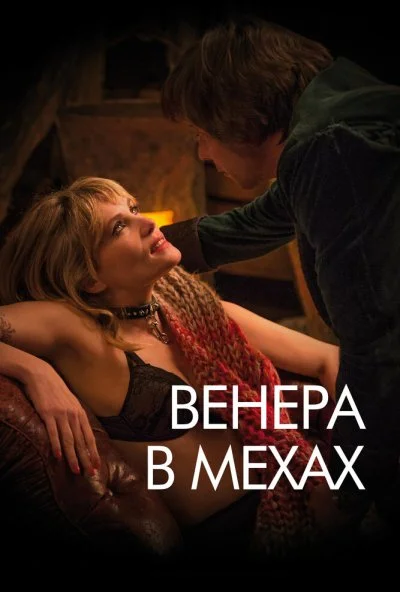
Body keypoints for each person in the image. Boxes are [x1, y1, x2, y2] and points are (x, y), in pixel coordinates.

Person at [0, 176, 346, 560]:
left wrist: (347, 477)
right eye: (119, 227)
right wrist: (35, 372)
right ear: (89, 278)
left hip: (299, 494)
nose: (148, 221)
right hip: (235, 539)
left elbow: (329, 359)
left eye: (133, 208)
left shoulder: (198, 313)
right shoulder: (79, 331)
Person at [159, 15, 400, 527]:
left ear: (237, 115)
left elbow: (377, 345)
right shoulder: (335, 117)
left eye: (202, 134)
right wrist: (156, 248)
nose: (202, 153)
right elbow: (262, 220)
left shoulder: (332, 150)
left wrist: (344, 489)